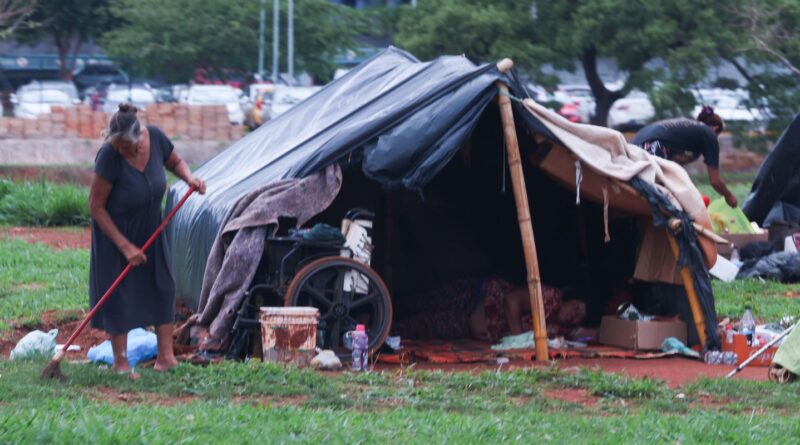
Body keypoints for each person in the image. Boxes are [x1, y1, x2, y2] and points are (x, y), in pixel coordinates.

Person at [88, 103, 206, 375]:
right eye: (117, 147)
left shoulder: (155, 137)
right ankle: (121, 363)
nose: (122, 152)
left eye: (127, 147)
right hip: (117, 233)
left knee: (163, 285)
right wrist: (125, 246)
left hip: (152, 227)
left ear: (140, 138)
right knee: (120, 294)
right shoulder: (109, 156)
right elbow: (96, 206)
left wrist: (189, 178)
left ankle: (166, 358)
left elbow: (175, 161)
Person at [391, 277, 585, 343]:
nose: (573, 314)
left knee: (420, 327)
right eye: (576, 307)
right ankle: (371, 310)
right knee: (420, 303)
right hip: (475, 296)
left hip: (472, 324)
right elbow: (512, 300)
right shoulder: (550, 297)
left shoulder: (556, 329)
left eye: (578, 317)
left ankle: (371, 328)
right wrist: (517, 340)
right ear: (570, 297)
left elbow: (587, 335)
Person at [632, 106, 738, 207]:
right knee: (668, 198)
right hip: (652, 148)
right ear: (715, 128)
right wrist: (729, 196)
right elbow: (715, 181)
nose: (716, 138)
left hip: (633, 149)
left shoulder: (688, 129)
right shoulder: (708, 134)